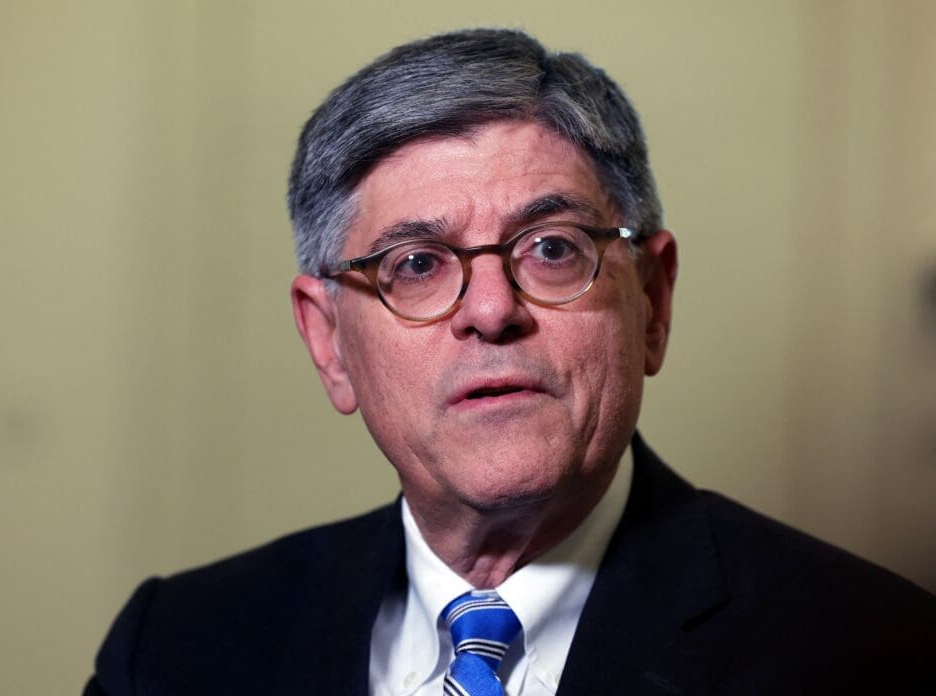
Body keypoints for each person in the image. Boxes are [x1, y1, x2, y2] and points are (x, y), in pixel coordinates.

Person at [84, 29, 934, 695]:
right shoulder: (174, 649)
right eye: (415, 263)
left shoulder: (875, 653)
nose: (492, 311)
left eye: (552, 249)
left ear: (654, 303)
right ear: (329, 343)